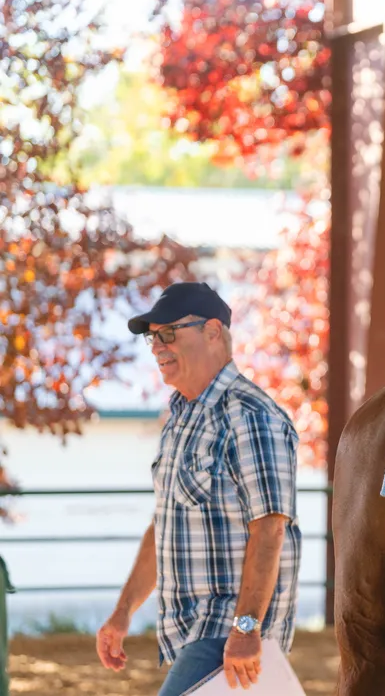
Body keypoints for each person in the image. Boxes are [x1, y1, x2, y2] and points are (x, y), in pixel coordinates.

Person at [95, 282, 301, 695]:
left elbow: (270, 529)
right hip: (195, 631)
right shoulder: (181, 416)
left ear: (212, 332)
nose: (157, 347)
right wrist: (122, 613)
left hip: (227, 630)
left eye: (168, 333)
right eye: (153, 337)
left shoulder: (251, 416)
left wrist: (246, 629)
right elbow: (165, 526)